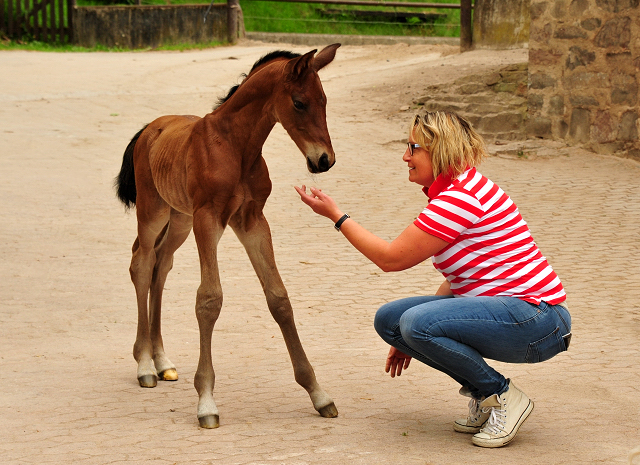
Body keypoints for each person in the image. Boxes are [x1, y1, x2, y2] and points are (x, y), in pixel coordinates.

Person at [295, 111, 571, 448]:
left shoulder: (460, 198)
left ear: (439, 150)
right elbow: (460, 279)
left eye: (413, 148)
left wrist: (337, 216)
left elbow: (390, 259)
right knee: (392, 321)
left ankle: (502, 395)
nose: (405, 157)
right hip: (524, 315)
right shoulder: (456, 191)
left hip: (538, 320)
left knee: (413, 323)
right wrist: (408, 336)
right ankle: (487, 396)